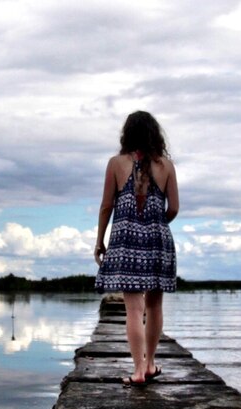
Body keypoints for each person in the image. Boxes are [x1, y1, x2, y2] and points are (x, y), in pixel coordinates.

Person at [94, 111, 179, 386]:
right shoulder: (166, 166)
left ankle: (139, 370)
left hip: (126, 239)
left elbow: (107, 205)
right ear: (156, 134)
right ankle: (151, 363)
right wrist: (156, 223)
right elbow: (174, 208)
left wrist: (100, 240)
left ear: (127, 134)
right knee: (154, 306)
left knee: (133, 309)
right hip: (158, 240)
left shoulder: (116, 164)